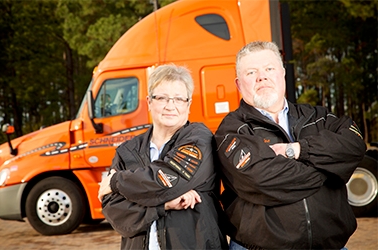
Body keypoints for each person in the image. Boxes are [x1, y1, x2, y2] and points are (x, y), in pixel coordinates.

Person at [214, 41, 366, 249]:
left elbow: (355, 144)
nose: (262, 77)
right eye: (251, 73)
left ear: (282, 73)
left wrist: (298, 150)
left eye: (269, 68)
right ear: (239, 84)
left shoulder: (318, 117)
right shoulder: (232, 130)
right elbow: (262, 180)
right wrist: (327, 169)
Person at [98, 64, 228, 250]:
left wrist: (116, 182)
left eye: (178, 99)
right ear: (149, 102)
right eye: (162, 98)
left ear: (188, 104)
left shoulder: (199, 138)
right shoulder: (127, 151)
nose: (170, 106)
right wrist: (163, 205)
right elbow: (114, 210)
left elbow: (168, 178)